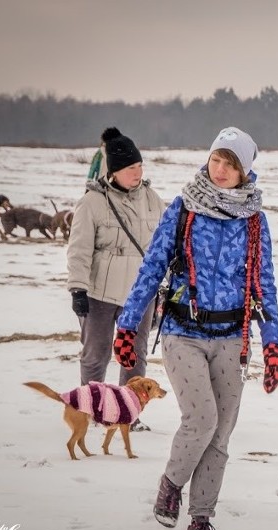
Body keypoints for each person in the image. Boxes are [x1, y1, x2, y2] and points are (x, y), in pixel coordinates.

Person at [113, 126, 278, 530]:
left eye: (231, 163)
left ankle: (201, 519)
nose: (220, 169)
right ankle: (171, 484)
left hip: (232, 336)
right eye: (216, 159)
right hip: (182, 332)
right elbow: (152, 267)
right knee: (202, 418)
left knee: (221, 434)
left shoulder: (255, 221)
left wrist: (274, 342)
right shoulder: (184, 209)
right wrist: (128, 325)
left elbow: (265, 285)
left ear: (245, 171)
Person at [66, 127, 166, 431]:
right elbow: (79, 250)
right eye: (129, 168)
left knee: (135, 356)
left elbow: (165, 244)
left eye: (139, 167)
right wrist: (78, 288)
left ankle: (129, 414)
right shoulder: (92, 203)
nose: (137, 173)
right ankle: (92, 409)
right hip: (100, 293)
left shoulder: (152, 199)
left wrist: (164, 286)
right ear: (113, 171)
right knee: (96, 354)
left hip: (141, 294)